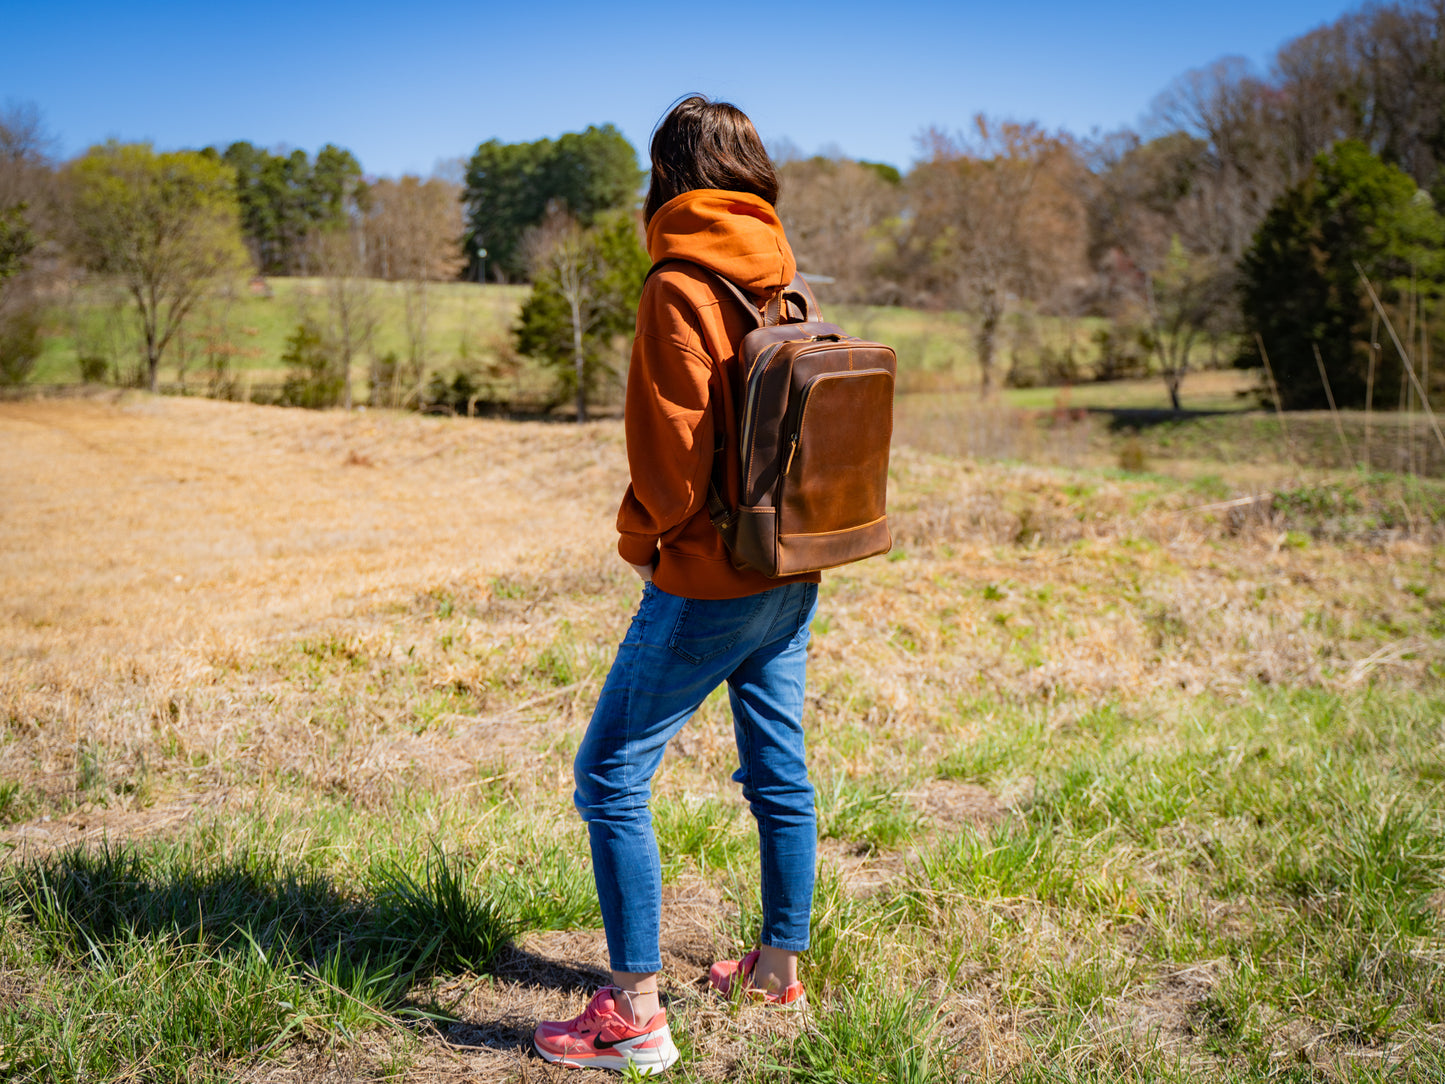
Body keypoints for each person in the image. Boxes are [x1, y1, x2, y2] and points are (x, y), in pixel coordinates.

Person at [532, 96, 822, 1074]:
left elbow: (666, 471)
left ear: (666, 177)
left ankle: (632, 1015)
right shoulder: (785, 281)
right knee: (777, 770)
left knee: (608, 775)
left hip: (708, 576)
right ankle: (779, 969)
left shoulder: (677, 286)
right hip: (790, 564)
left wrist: (642, 541)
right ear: (752, 172)